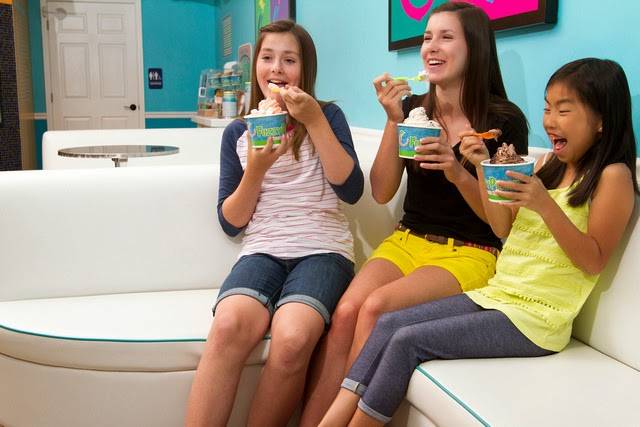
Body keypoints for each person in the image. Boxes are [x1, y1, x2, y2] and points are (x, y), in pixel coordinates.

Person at [319, 57, 638, 426]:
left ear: (601, 120)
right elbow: (502, 227)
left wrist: (544, 204)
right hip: (497, 296)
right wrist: (484, 166)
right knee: (390, 324)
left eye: (563, 110)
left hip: (536, 321)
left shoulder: (613, 176)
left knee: (407, 342)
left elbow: (593, 260)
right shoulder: (547, 167)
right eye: (547, 108)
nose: (550, 121)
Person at [301, 3, 528, 424]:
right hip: (407, 240)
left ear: (475, 48)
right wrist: (393, 120)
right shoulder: (413, 112)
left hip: (470, 250)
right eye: (427, 37)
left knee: (376, 308)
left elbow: (502, 224)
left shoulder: (502, 122)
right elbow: (382, 191)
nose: (431, 47)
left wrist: (457, 170)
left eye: (446, 37)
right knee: (347, 310)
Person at [184, 20, 364, 427]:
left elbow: (351, 189)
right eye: (267, 58)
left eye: (289, 60)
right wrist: (257, 168)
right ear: (256, 68)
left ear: (306, 70)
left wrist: (314, 120)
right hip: (263, 250)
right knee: (228, 325)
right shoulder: (238, 131)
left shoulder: (328, 115)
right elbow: (231, 223)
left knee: (293, 338)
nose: (277, 69)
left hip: (323, 251)